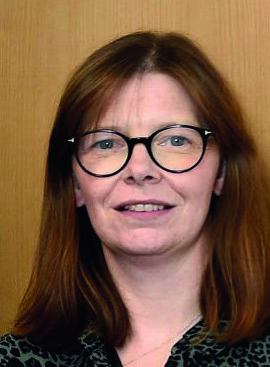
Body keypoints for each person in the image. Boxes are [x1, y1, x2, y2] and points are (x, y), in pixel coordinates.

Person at [1, 31, 270, 367]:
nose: (139, 169)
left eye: (175, 140)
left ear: (222, 172)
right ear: (74, 182)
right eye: (106, 143)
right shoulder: (15, 359)